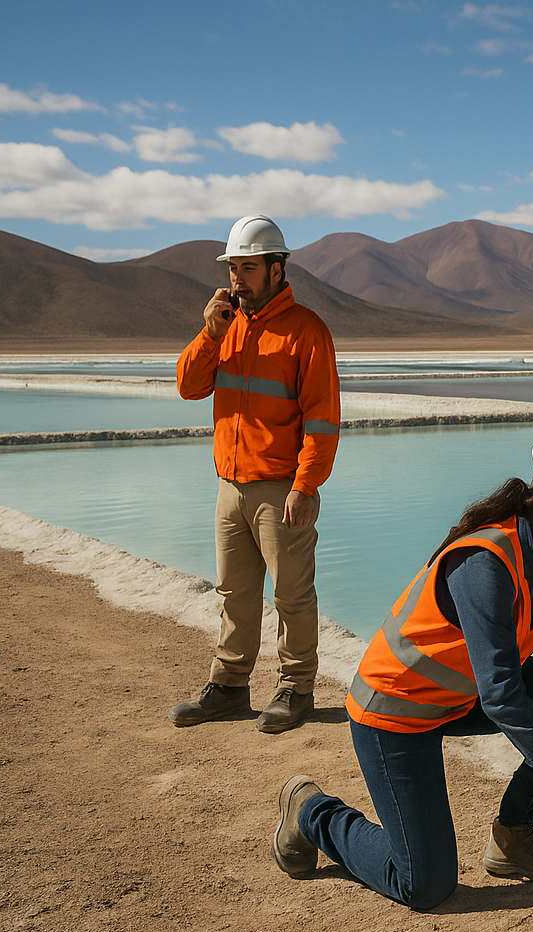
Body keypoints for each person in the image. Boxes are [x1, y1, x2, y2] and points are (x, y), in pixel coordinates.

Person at [268, 425, 533, 910]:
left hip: (458, 699)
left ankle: (515, 833)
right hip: (394, 713)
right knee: (424, 885)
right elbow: (502, 692)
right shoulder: (485, 564)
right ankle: (311, 812)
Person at [170, 214, 340, 734]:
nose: (238, 278)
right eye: (233, 268)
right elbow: (189, 386)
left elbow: (322, 419)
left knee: (291, 595)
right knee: (234, 593)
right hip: (230, 485)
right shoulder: (226, 327)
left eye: (248, 268)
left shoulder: (306, 331)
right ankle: (228, 687)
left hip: (281, 489)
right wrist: (210, 332)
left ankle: (296, 689)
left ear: (276, 269)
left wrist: (306, 485)